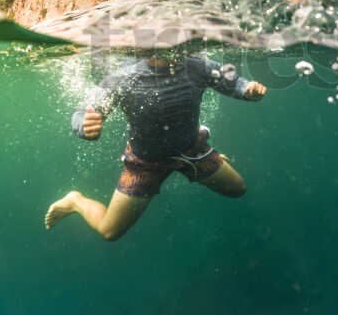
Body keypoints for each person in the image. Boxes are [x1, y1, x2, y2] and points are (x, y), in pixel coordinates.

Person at [45, 53, 266, 241]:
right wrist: (84, 126)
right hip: (145, 163)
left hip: (191, 149)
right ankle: (75, 201)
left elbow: (233, 81)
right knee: (109, 231)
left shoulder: (199, 66)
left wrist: (248, 89)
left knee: (238, 189)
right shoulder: (124, 78)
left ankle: (202, 151)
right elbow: (81, 112)